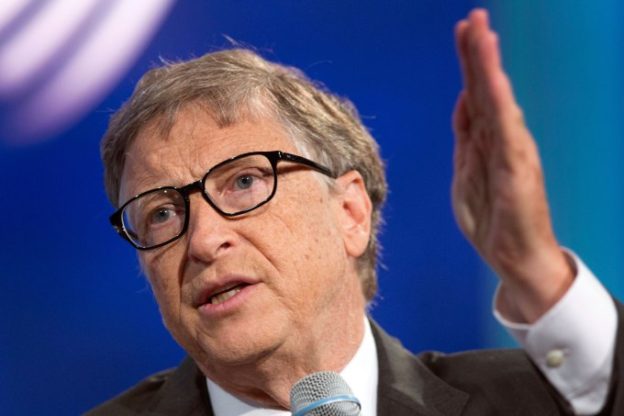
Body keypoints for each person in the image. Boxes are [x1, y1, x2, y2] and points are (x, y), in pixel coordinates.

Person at [87, 9, 622, 416]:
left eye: (245, 182)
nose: (204, 240)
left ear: (350, 213)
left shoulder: (534, 401)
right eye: (161, 214)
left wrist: (534, 269)